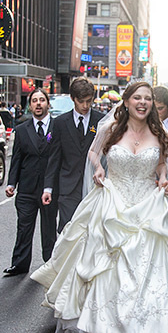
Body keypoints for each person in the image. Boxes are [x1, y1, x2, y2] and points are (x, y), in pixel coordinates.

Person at [31, 82, 168, 333]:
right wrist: (98, 168)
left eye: (147, 98)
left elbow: (162, 163)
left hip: (148, 206)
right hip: (113, 201)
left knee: (156, 266)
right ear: (127, 101)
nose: (143, 103)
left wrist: (161, 178)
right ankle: (107, 327)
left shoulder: (160, 133)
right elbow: (95, 152)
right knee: (103, 261)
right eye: (137, 98)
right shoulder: (111, 128)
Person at [3, 88, 57, 277]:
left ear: (48, 104)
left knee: (49, 228)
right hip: (26, 188)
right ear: (30, 105)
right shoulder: (21, 130)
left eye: (42, 100)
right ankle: (19, 264)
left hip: (50, 188)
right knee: (24, 227)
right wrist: (11, 184)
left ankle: (50, 263)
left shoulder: (57, 127)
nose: (38, 103)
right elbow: (16, 159)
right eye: (34, 100)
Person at [42, 78, 104, 231]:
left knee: (93, 233)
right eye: (81, 101)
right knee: (68, 232)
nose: (85, 106)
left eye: (89, 101)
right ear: (73, 99)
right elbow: (54, 158)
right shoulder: (60, 123)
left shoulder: (101, 120)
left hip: (94, 187)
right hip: (68, 188)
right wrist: (48, 188)